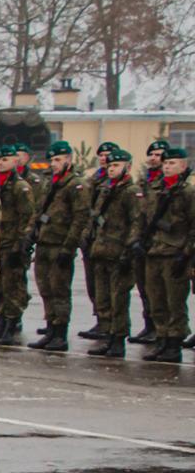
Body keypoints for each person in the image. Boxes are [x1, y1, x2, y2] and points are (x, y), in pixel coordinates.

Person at [25, 142, 94, 351]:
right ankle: (51, 328)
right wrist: (30, 235)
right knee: (45, 289)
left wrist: (69, 247)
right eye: (52, 160)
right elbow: (39, 210)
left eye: (58, 160)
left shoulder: (76, 185)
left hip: (60, 244)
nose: (54, 164)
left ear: (68, 160)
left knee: (59, 290)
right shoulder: (50, 183)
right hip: (44, 243)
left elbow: (81, 218)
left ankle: (61, 333)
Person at [86, 149, 143, 357]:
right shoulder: (105, 189)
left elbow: (136, 222)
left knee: (118, 299)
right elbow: (95, 218)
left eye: (116, 166)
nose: (111, 169)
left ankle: (118, 339)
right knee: (103, 298)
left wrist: (130, 249)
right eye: (109, 166)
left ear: (127, 166)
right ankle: (108, 336)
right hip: (101, 251)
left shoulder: (131, 191)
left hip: (119, 253)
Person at [136, 147, 191, 361]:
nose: (168, 167)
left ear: (183, 166)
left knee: (174, 301)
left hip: (174, 253)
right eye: (166, 163)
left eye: (173, 164)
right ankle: (161, 338)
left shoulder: (187, 192)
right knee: (156, 299)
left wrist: (185, 254)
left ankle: (174, 343)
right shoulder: (156, 189)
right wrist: (139, 242)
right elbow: (144, 217)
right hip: (154, 251)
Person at [0, 145, 35, 343]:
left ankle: (12, 323)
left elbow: (28, 217)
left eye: (5, 159)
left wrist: (21, 243)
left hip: (13, 244)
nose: (0, 163)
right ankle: (1, 321)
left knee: (13, 286)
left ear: (15, 161)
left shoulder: (20, 187)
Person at [133, 139, 174, 344]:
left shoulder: (171, 185)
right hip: (145, 243)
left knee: (166, 293)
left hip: (165, 245)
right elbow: (138, 215)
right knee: (146, 288)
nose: (154, 158)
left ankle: (165, 332)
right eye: (152, 154)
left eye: (159, 154)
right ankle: (150, 326)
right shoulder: (144, 182)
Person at [79, 142, 118, 341]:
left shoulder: (119, 185)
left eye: (108, 155)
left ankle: (111, 325)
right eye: (101, 155)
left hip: (112, 243)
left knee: (113, 289)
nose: (104, 159)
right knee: (95, 285)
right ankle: (101, 320)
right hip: (94, 241)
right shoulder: (95, 181)